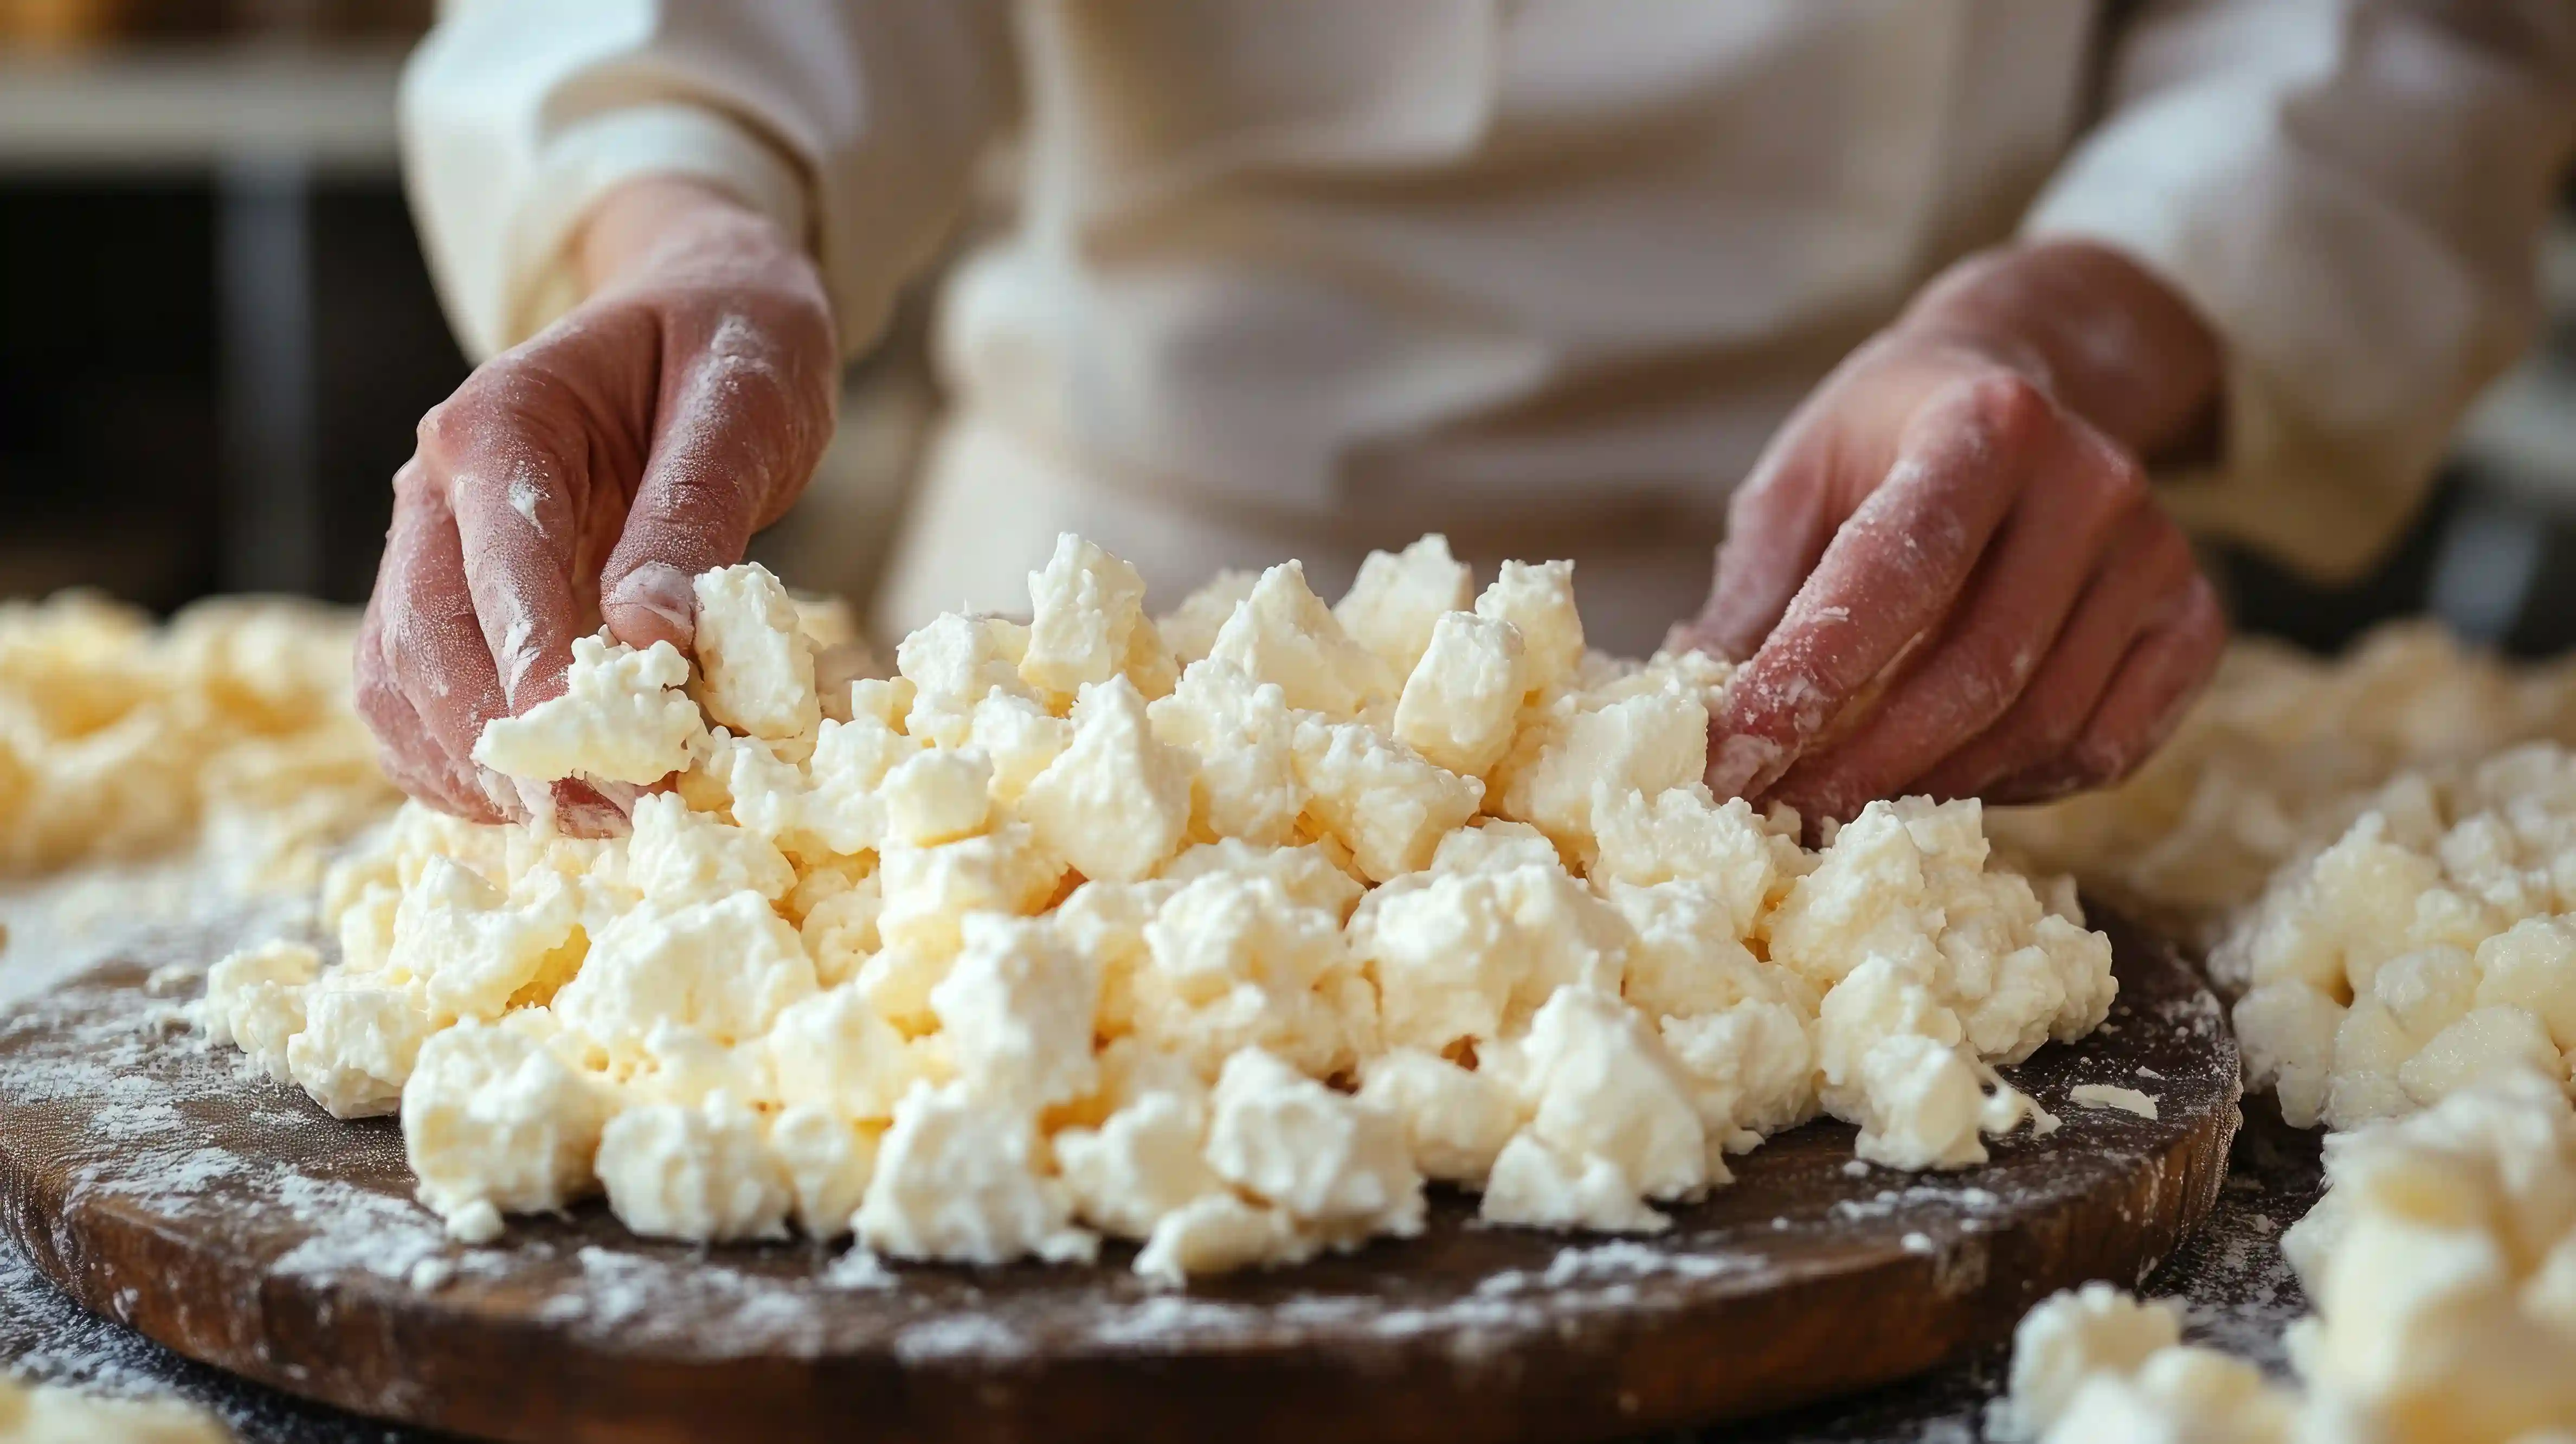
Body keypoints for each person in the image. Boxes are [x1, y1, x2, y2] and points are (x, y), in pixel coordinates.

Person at [363, 1, 2576, 830]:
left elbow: (2390, 36)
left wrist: (2073, 332)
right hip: (1070, 714)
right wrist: (682, 238)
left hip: (1926, 694)